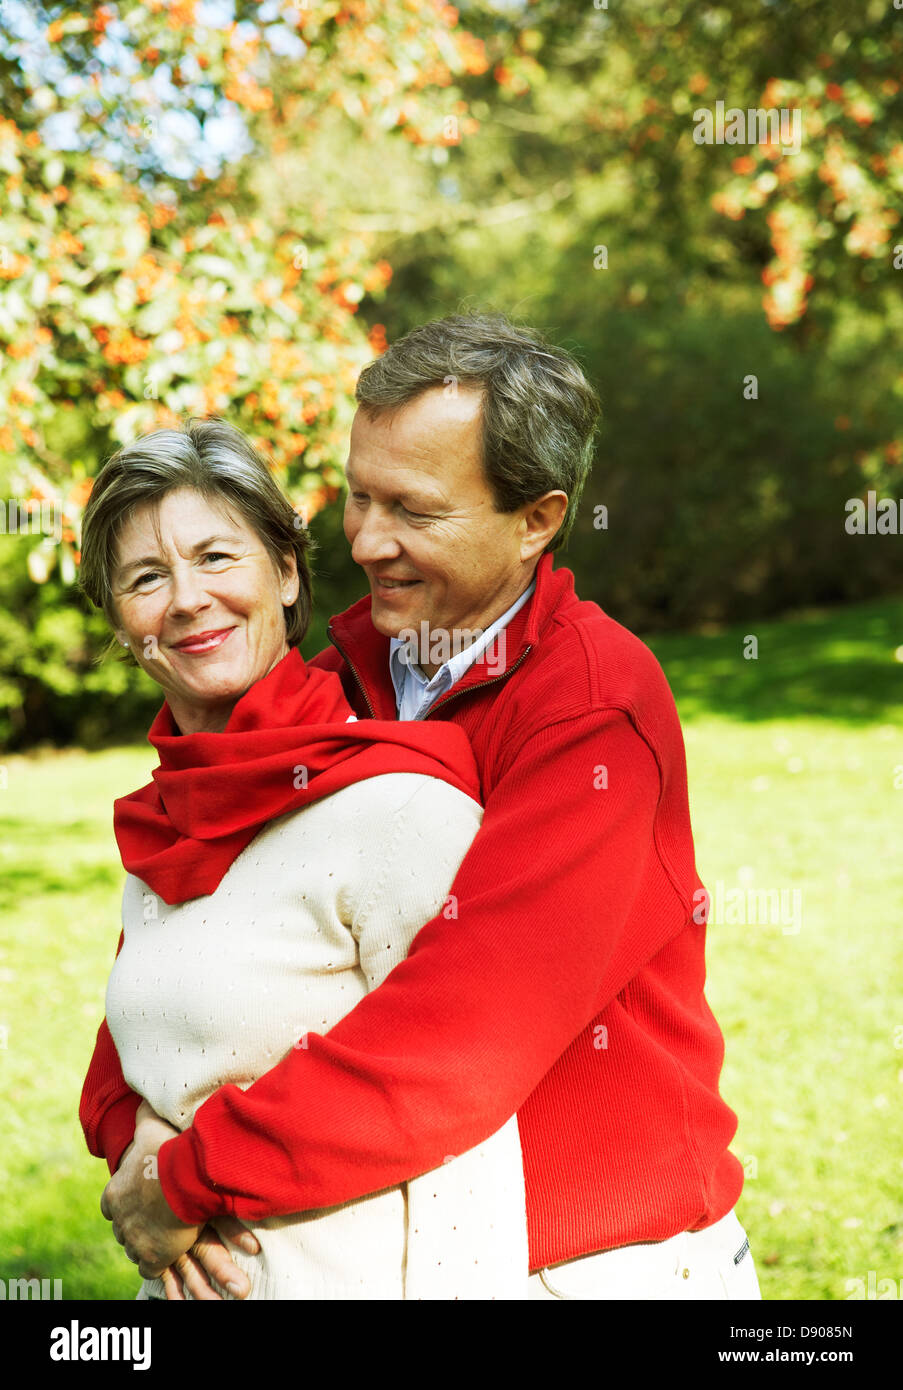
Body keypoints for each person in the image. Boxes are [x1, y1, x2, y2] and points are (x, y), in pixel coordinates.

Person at [82, 311, 761, 1300]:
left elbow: (459, 1038)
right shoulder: (337, 679)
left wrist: (191, 1175)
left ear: (537, 519)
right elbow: (179, 935)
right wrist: (131, 1128)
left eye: (414, 510)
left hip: (596, 1264)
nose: (365, 541)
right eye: (357, 497)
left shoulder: (592, 706)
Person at [76, 415, 529, 1300]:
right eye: (144, 578)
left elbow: (466, 1104)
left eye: (216, 558)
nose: (185, 600)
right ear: (123, 624)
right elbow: (148, 1040)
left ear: (285, 573)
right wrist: (139, 1155)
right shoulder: (167, 825)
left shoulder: (396, 807)